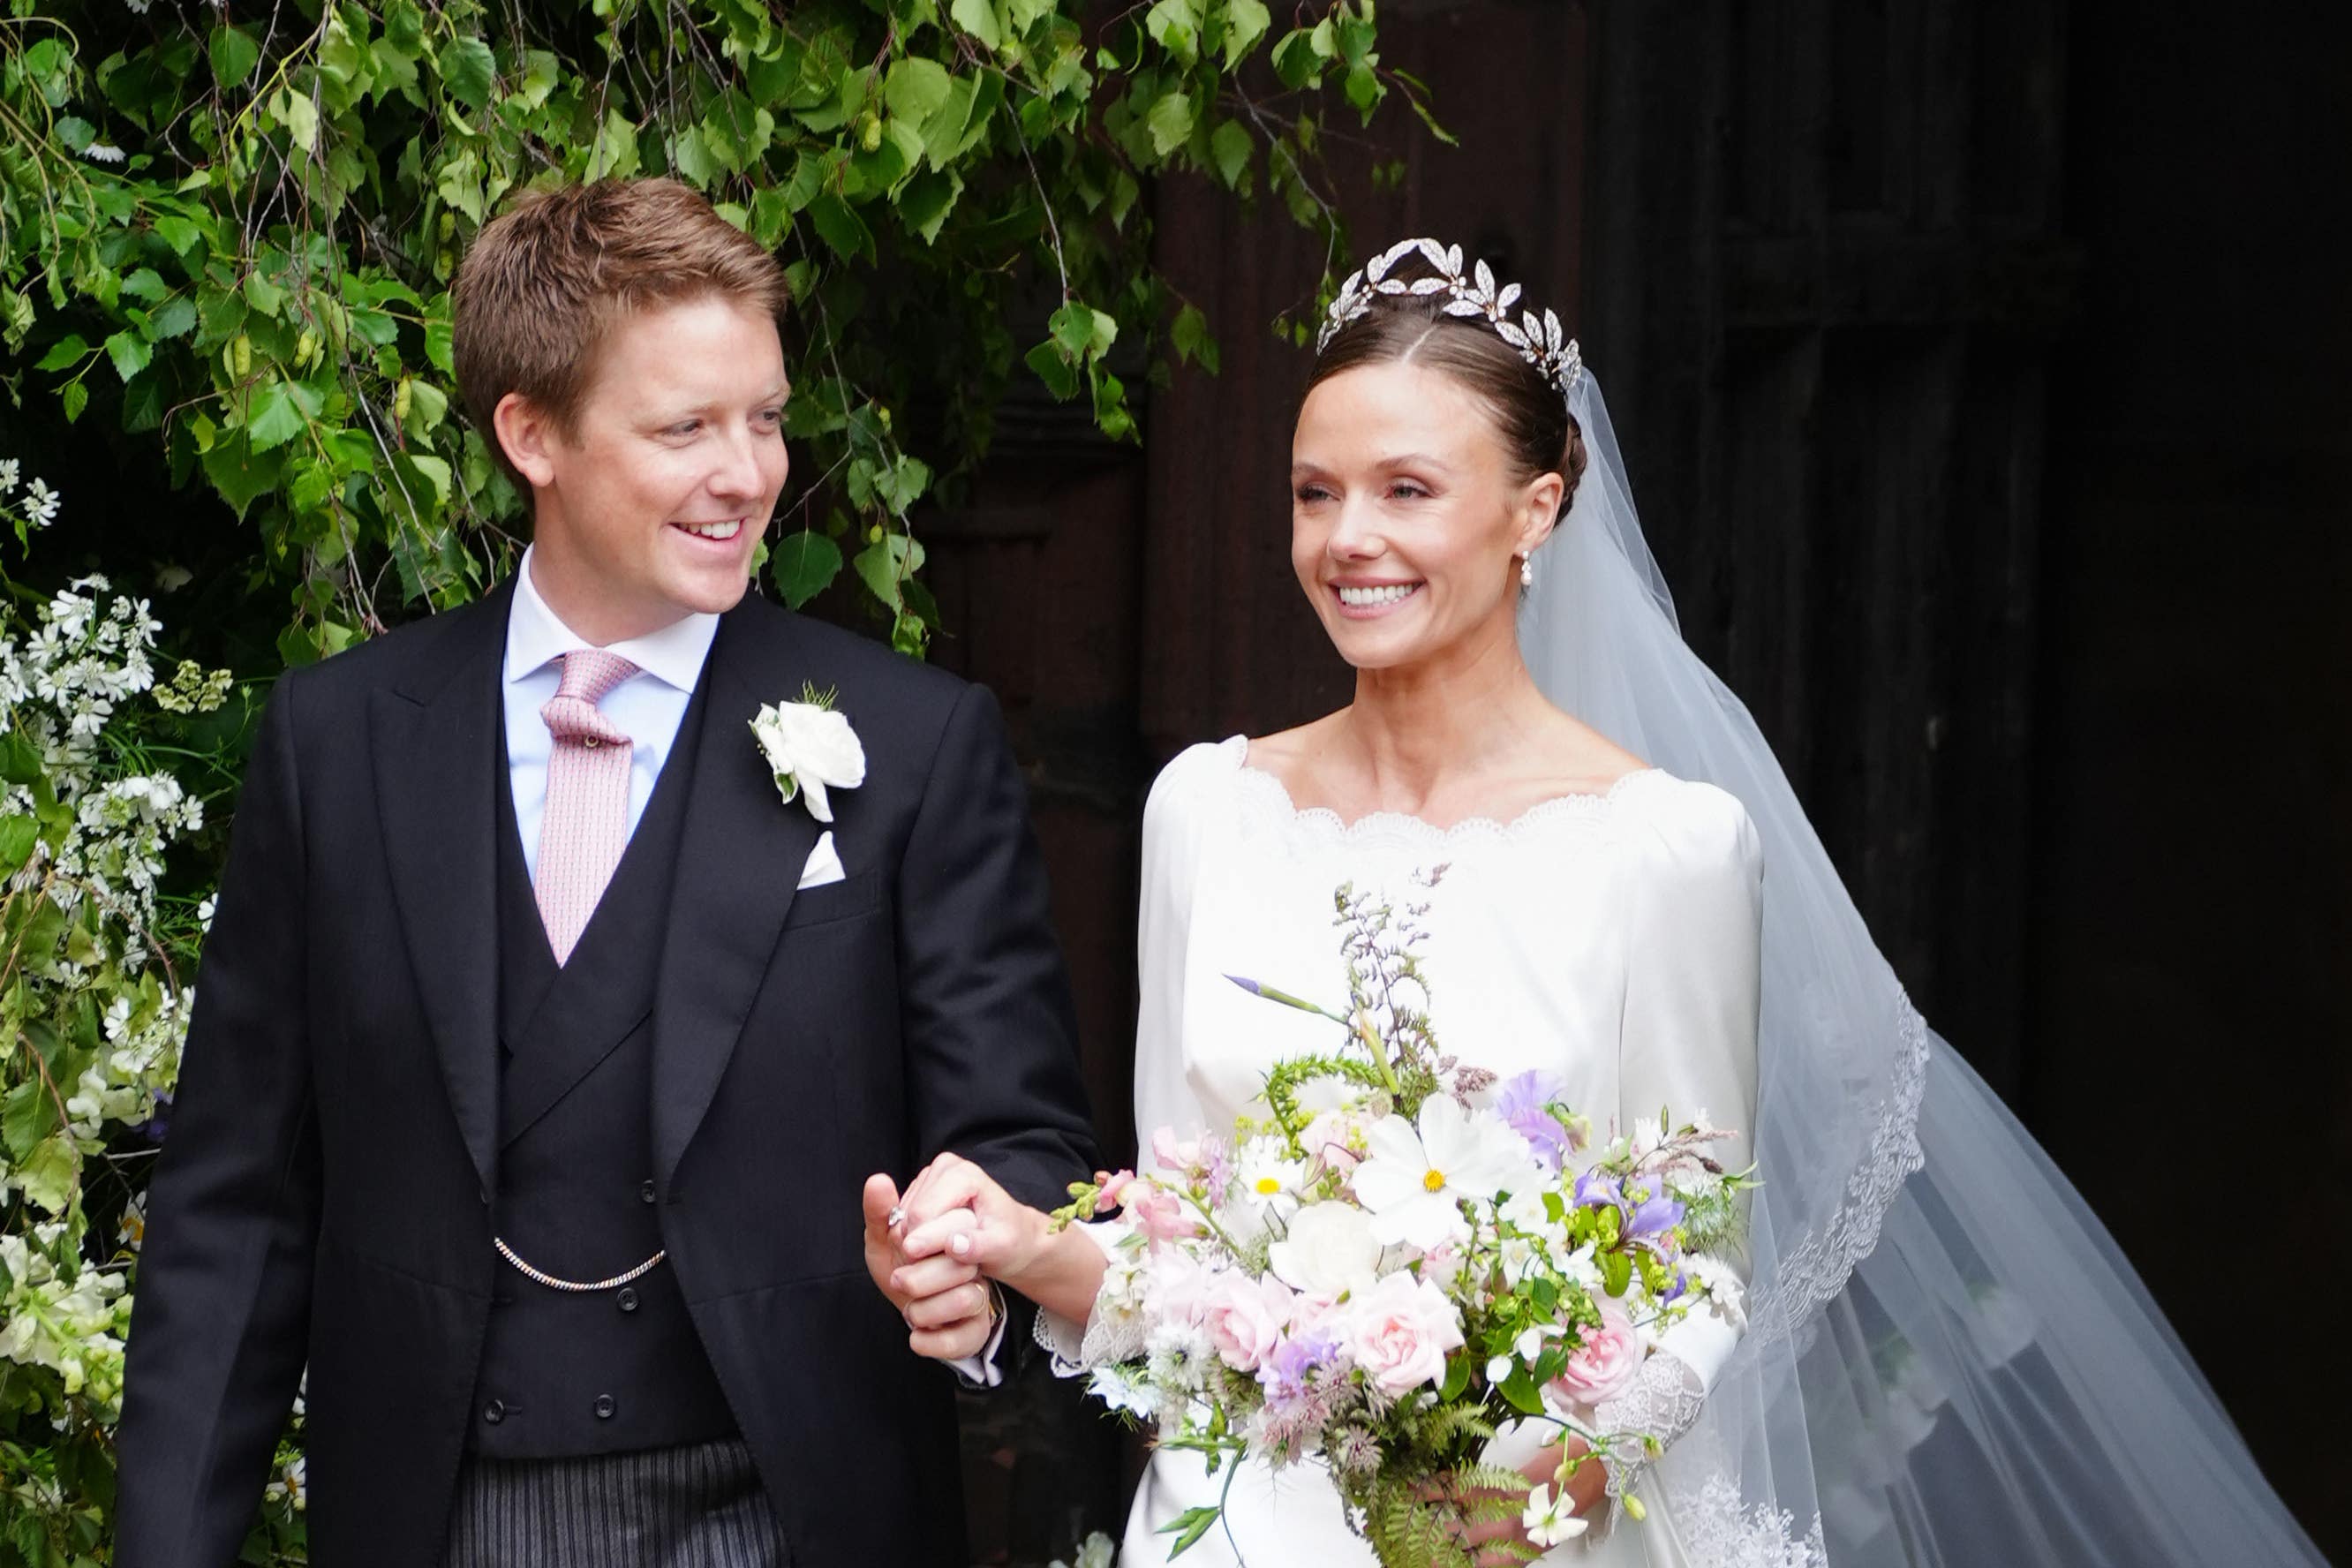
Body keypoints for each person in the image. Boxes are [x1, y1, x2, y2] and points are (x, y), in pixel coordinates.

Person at [884, 239, 2332, 1566]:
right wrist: (1020, 1247)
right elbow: (1181, 1249)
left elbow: (1692, 1286)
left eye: (1407, 489)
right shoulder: (1209, 811)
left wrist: (1534, 1504)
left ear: (1536, 510)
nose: (1347, 539)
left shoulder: (1667, 851)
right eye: (1314, 493)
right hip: (1240, 1530)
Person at [111, 177, 1097, 1568]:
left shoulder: (915, 744)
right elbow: (235, 1210)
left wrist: (975, 1262)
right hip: (435, 1517)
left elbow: (1025, 1139)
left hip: (789, 1516)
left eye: (763, 416)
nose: (749, 473)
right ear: (533, 435)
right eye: (684, 427)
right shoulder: (339, 746)